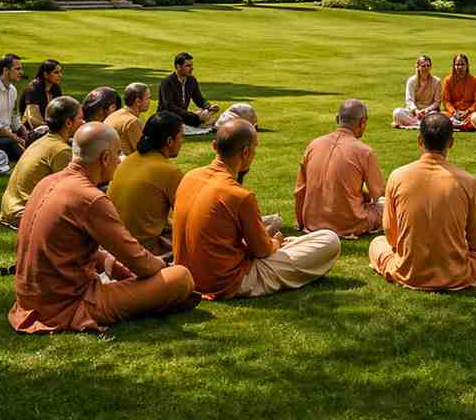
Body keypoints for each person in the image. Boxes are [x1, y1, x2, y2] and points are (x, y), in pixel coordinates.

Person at [8, 122, 197, 333]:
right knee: (180, 277)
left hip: (29, 299)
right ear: (105, 158)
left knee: (115, 261)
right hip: (68, 304)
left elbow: (78, 250)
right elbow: (140, 263)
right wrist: (162, 270)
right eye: (118, 154)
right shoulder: (90, 198)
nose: (120, 160)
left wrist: (122, 269)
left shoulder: (47, 182)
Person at [174, 119, 341, 299]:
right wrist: (275, 243)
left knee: (276, 226)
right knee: (329, 240)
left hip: (186, 274)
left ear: (215, 146)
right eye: (254, 149)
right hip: (227, 281)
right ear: (245, 152)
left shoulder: (190, 177)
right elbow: (262, 251)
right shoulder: (239, 195)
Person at [370, 113, 476, 290]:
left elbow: (391, 237)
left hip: (408, 272)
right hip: (456, 274)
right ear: (450, 143)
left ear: (419, 141)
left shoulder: (397, 176)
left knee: (377, 243)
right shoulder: (466, 181)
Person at [295, 99, 385, 237]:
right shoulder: (364, 152)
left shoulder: (313, 145)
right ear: (362, 122)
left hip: (312, 223)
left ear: (337, 118)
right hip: (349, 224)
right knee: (384, 205)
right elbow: (378, 195)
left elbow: (300, 192)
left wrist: (302, 223)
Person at [0, 96, 84, 229]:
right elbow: (73, 192)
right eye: (80, 118)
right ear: (68, 123)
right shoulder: (61, 150)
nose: (83, 122)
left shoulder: (41, 141)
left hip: (9, 210)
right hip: (23, 214)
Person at [108, 112, 185, 257]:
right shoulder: (169, 171)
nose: (183, 141)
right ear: (169, 141)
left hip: (114, 243)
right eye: (181, 137)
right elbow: (187, 218)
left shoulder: (129, 160)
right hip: (141, 251)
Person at [158, 51, 221, 129]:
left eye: (192, 65)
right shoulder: (167, 82)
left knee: (208, 112)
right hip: (168, 116)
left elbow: (198, 99)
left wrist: (208, 107)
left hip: (183, 115)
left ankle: (203, 120)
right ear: (178, 67)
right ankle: (202, 122)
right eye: (188, 66)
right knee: (198, 117)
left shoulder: (192, 80)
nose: (192, 68)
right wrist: (193, 116)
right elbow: (169, 106)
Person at [392, 55, 441, 129]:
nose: (426, 68)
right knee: (397, 112)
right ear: (418, 67)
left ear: (431, 67)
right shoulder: (411, 81)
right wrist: (416, 111)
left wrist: (426, 110)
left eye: (428, 66)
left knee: (435, 117)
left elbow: (437, 102)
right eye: (423, 66)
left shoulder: (436, 81)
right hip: (413, 112)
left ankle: (417, 124)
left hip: (429, 112)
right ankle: (422, 125)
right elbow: (409, 100)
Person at [106, 83, 151, 157]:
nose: (149, 101)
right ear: (138, 102)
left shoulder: (114, 115)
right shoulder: (132, 122)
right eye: (148, 98)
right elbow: (144, 153)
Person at [441, 53, 476, 131]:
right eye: (457, 64)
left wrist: (467, 112)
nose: (460, 67)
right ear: (454, 66)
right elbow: (446, 101)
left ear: (467, 66)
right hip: (453, 113)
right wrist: (454, 112)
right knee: (442, 116)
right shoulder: (448, 80)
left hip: (469, 113)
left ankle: (457, 125)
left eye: (462, 64)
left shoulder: (475, 80)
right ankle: (463, 126)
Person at [20, 59, 63, 128]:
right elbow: (33, 118)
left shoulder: (55, 88)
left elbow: (60, 112)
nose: (60, 75)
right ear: (45, 74)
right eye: (56, 72)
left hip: (49, 127)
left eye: (60, 72)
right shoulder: (33, 89)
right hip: (31, 130)